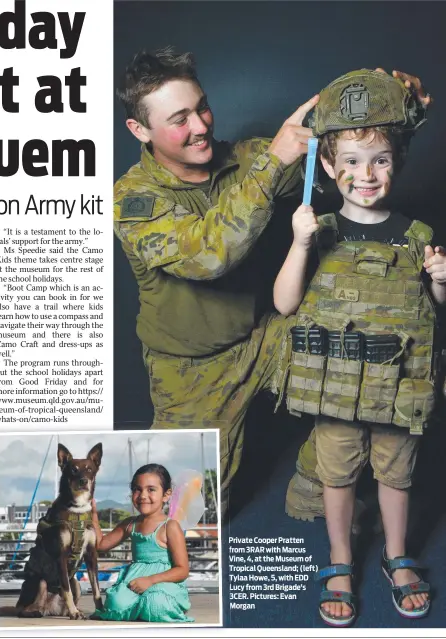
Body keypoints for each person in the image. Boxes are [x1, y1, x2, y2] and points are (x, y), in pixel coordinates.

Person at [113, 47, 431, 518]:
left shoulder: (242, 158)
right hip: (191, 370)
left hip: (266, 334)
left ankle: (312, 481)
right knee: (185, 519)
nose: (201, 126)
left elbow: (342, 167)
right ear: (140, 130)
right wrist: (272, 164)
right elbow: (208, 254)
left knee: (364, 353)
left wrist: (401, 113)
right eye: (179, 119)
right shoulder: (132, 198)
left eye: (202, 107)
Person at [274, 69, 442, 626]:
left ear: (396, 163)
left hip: (397, 392)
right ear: (327, 166)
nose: (364, 175)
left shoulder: (416, 234)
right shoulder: (319, 230)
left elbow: (431, 310)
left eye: (380, 161)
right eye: (349, 161)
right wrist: (298, 246)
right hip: (338, 393)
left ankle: (397, 556)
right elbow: (284, 303)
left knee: (397, 474)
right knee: (338, 475)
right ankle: (341, 560)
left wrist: (440, 278)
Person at [90, 463, 194, 623]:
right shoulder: (130, 524)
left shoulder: (170, 527)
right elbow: (101, 544)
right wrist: (93, 516)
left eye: (151, 489)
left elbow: (182, 570)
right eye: (137, 489)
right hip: (135, 579)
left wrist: (150, 580)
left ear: (166, 495)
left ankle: (162, 605)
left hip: (163, 581)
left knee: (156, 603)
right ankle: (142, 608)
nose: (143, 495)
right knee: (116, 603)